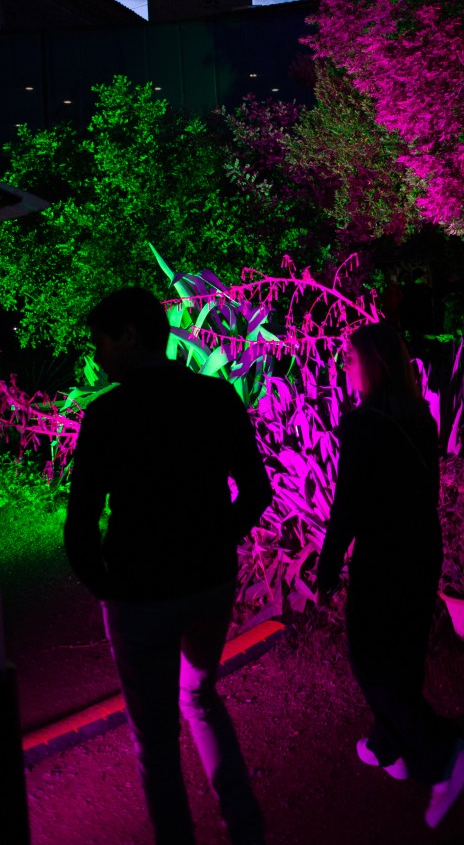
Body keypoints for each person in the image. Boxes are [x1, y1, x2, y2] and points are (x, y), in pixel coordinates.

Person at [64, 287, 271, 845]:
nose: (99, 354)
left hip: (141, 592)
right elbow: (257, 489)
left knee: (154, 741)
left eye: (102, 341)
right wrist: (214, 540)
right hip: (209, 584)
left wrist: (104, 586)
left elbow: (82, 519)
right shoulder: (217, 396)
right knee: (201, 696)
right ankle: (246, 828)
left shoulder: (107, 414)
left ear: (129, 335)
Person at [316, 322, 464, 829]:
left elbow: (347, 505)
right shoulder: (421, 419)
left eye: (350, 358)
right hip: (420, 546)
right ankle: (389, 745)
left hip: (384, 553)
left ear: (375, 364)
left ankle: (443, 754)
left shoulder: (364, 424)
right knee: (403, 651)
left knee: (369, 660)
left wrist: (327, 567)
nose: (343, 366)